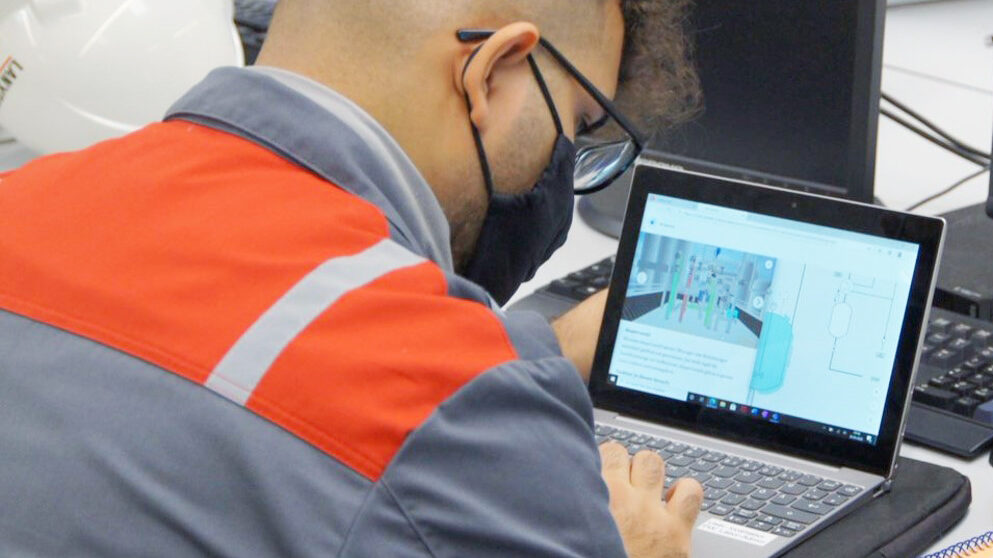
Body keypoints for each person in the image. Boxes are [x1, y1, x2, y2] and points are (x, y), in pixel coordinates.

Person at [0, 1, 702, 556]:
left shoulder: (23, 199)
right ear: (489, 71)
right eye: (577, 126)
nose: (566, 162)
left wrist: (524, 353)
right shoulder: (464, 423)